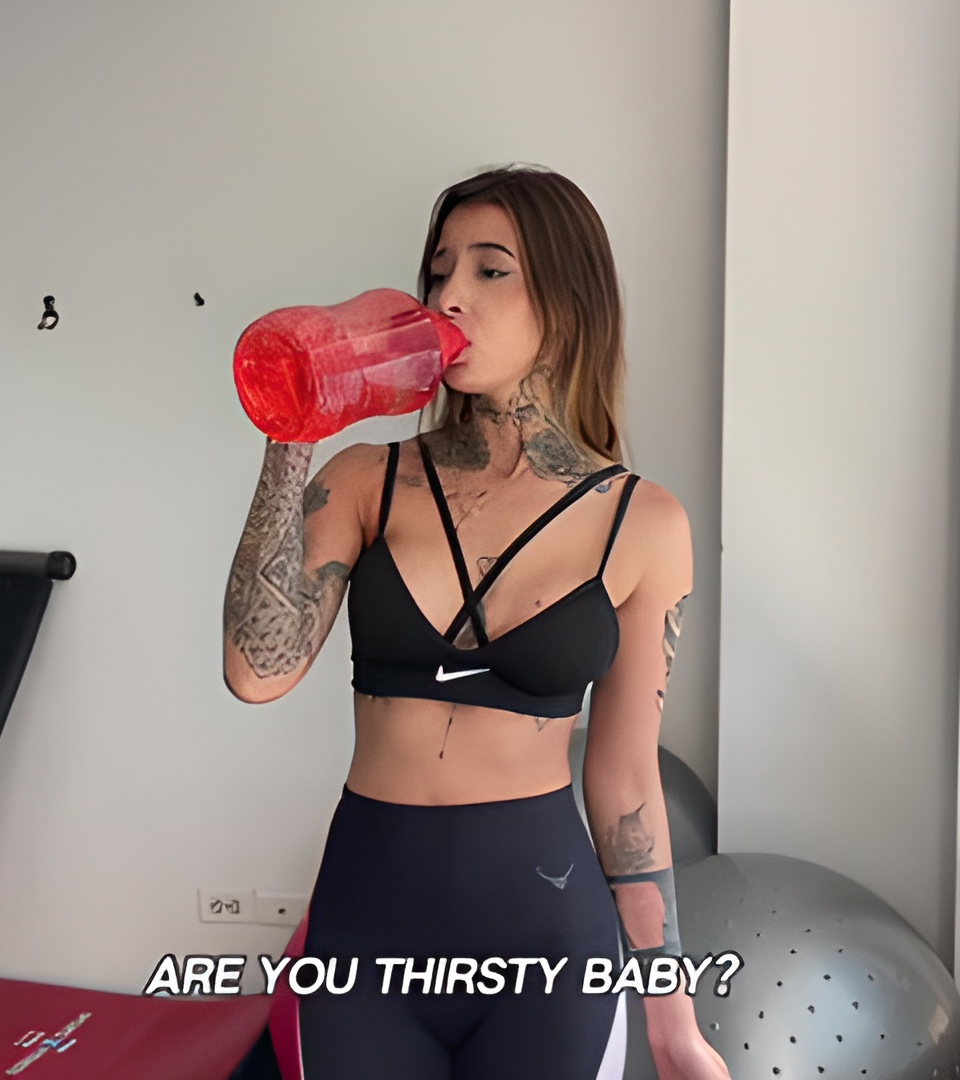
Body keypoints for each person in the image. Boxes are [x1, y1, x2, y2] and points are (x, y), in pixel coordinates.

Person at [222, 166, 728, 1080]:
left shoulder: (644, 522)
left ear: (568, 306)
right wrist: (291, 432)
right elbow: (256, 672)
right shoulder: (366, 480)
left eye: (491, 270)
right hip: (365, 944)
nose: (449, 296)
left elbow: (625, 784)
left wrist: (672, 1020)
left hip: (549, 947)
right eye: (438, 269)